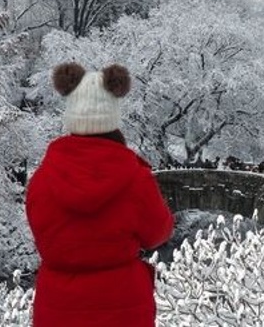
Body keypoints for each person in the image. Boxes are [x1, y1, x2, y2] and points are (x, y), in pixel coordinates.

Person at [25, 62, 174, 327]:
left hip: (58, 306)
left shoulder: (43, 179)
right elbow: (158, 233)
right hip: (122, 306)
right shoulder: (135, 179)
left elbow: (41, 231)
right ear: (113, 119)